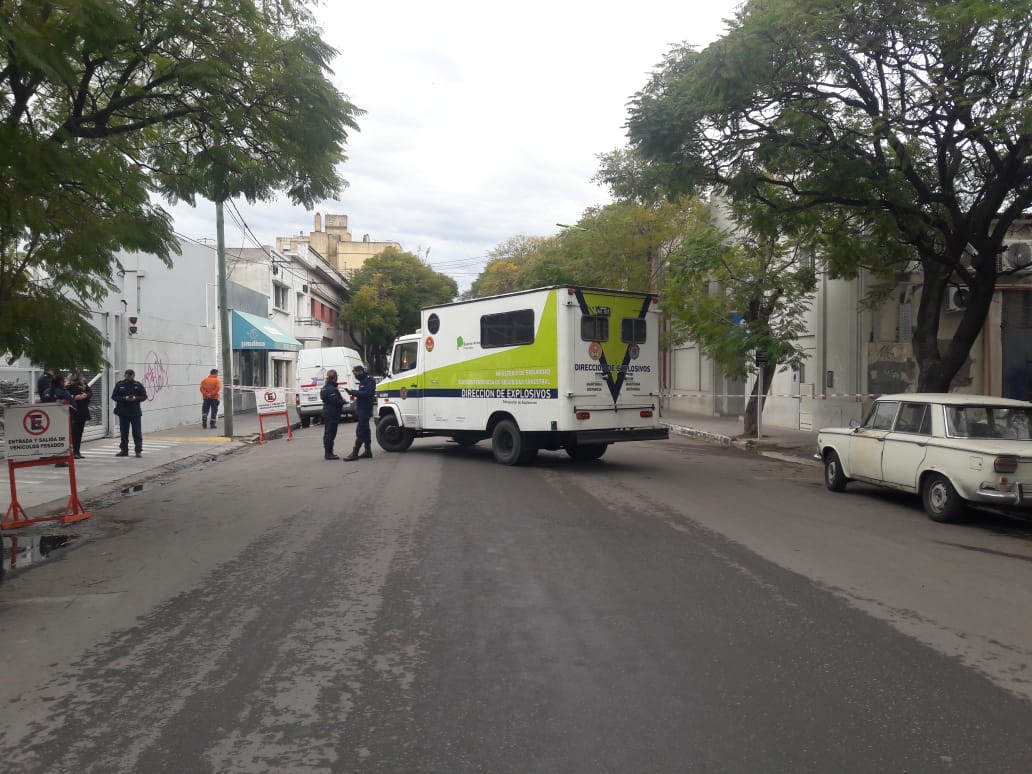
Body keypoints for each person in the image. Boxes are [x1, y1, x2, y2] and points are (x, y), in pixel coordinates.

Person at [343, 363, 377, 461]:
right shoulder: (362, 381)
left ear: (361, 372)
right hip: (362, 409)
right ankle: (368, 451)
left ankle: (355, 452)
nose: (355, 376)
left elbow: (368, 394)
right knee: (365, 430)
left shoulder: (370, 380)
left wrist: (354, 392)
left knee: (360, 431)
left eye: (356, 374)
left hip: (366, 410)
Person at [111, 368, 148, 457]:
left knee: (137, 432)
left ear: (133, 376)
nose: (129, 378)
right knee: (124, 432)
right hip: (123, 412)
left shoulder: (138, 385)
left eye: (131, 376)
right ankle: (124, 450)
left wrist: (135, 398)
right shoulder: (119, 385)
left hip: (135, 412)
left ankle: (138, 450)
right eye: (128, 376)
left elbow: (144, 396)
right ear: (125, 375)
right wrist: (125, 398)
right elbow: (114, 396)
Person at [49, 374, 75, 467]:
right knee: (62, 440)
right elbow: (72, 404)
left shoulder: (47, 391)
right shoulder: (63, 392)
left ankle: (50, 457)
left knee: (51, 439)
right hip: (62, 419)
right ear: (61, 382)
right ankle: (60, 460)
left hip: (48, 420)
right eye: (64, 381)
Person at [319, 369, 345, 460]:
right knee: (330, 433)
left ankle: (328, 452)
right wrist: (343, 401)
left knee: (327, 433)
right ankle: (329, 453)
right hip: (332, 413)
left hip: (328, 411)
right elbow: (335, 401)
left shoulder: (324, 387)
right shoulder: (331, 389)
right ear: (334, 378)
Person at [66, 372, 92, 459]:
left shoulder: (84, 384)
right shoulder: (68, 386)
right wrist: (74, 397)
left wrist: (86, 395)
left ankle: (77, 451)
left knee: (80, 432)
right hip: (73, 411)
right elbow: (66, 395)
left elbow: (90, 392)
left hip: (83, 411)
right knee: (74, 433)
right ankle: (73, 452)